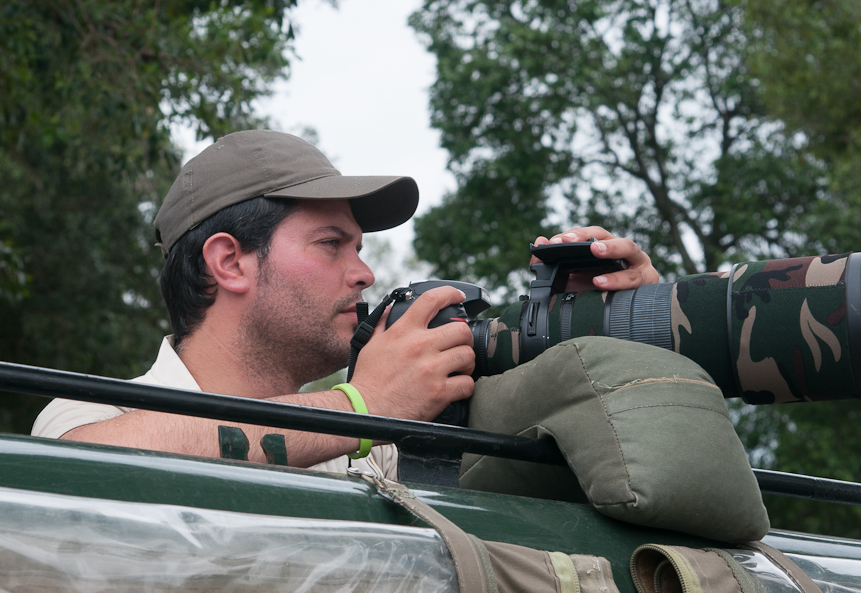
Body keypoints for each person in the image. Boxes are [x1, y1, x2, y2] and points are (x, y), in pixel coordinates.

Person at [31, 130, 658, 478]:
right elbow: (100, 468)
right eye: (331, 245)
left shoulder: (385, 450)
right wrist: (365, 405)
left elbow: (608, 474)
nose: (364, 273)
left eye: (359, 248)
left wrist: (612, 323)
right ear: (230, 262)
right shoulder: (85, 416)